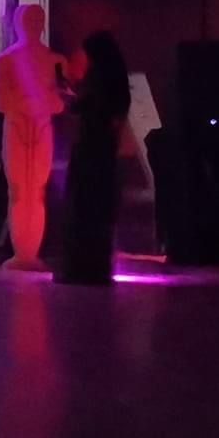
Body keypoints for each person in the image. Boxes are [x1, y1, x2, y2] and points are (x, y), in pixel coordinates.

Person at [0, 5, 69, 271]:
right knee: (18, 189)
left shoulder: (56, 61)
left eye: (39, 19)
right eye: (29, 19)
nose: (35, 24)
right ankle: (22, 253)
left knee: (36, 190)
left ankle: (30, 252)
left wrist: (32, 101)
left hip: (41, 129)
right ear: (18, 23)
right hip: (17, 129)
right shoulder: (5, 61)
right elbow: (1, 101)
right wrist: (35, 101)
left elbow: (59, 102)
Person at [60, 31, 130, 285]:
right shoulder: (117, 79)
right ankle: (97, 267)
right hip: (105, 151)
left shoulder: (97, 77)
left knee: (83, 206)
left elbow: (83, 106)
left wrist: (67, 96)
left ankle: (80, 268)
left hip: (89, 148)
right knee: (99, 210)